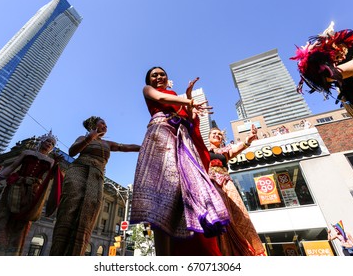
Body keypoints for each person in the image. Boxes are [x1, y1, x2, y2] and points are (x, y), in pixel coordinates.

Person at [130, 66, 230, 256]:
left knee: (179, 197)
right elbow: (160, 99)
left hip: (182, 142)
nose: (159, 77)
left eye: (162, 74)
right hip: (160, 136)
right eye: (154, 75)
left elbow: (190, 118)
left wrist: (189, 100)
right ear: (149, 80)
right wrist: (188, 99)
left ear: (167, 78)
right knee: (162, 196)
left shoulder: (175, 94)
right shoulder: (149, 90)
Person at [49, 116, 140, 256]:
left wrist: (143, 147)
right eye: (102, 123)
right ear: (93, 125)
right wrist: (88, 138)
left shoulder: (107, 144)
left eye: (106, 124)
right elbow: (72, 152)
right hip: (78, 171)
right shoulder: (82, 137)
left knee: (89, 209)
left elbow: (124, 146)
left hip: (96, 177)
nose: (105, 126)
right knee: (70, 204)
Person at [0, 131, 62, 256]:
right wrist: (0, 175)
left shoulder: (50, 161)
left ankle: (13, 252)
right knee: (3, 216)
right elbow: (13, 166)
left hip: (32, 192)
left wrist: (57, 164)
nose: (49, 144)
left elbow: (53, 177)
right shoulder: (27, 153)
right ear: (42, 141)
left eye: (52, 144)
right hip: (16, 185)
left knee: (22, 221)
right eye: (47, 141)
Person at [290, 21, 353, 126]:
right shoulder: (343, 86)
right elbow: (319, 77)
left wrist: (309, 56)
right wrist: (308, 56)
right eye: (334, 55)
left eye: (341, 50)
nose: (339, 56)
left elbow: (328, 75)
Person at [207, 126, 265, 256]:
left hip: (227, 184)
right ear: (209, 137)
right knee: (218, 213)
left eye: (220, 134)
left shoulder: (224, 152)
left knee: (238, 212)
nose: (217, 135)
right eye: (214, 133)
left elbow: (237, 148)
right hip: (211, 184)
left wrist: (248, 140)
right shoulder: (203, 150)